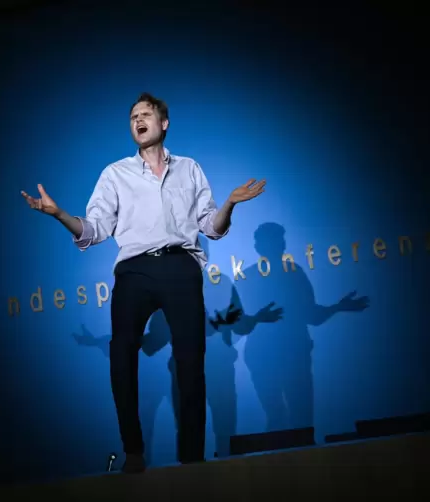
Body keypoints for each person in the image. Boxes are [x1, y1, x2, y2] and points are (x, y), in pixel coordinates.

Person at [20, 93, 266, 473]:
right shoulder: (114, 174)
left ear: (163, 123)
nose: (138, 120)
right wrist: (58, 214)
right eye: (133, 116)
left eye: (145, 114)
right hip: (135, 270)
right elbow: (94, 229)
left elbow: (211, 228)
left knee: (190, 361)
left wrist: (230, 203)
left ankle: (193, 458)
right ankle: (133, 450)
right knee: (122, 353)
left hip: (180, 266)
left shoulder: (189, 169)